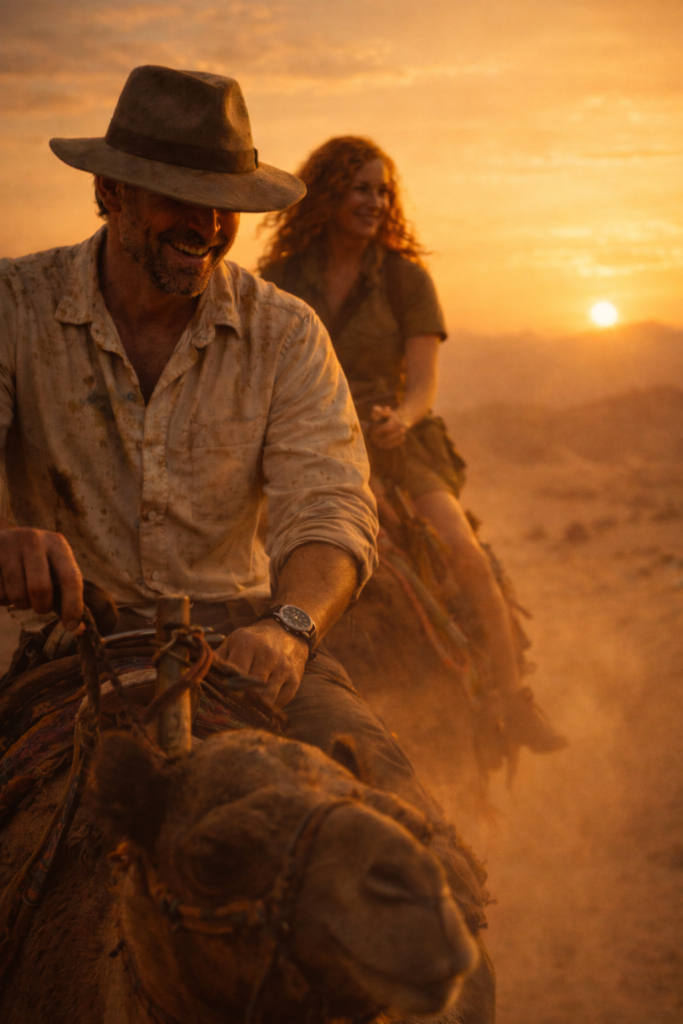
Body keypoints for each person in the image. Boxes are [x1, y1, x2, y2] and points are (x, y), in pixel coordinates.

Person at [0, 67, 494, 1019]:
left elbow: (330, 505)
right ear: (108, 191)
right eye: (178, 199)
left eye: (222, 205)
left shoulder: (282, 333)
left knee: (440, 876)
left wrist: (295, 623)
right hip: (68, 646)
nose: (204, 224)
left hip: (253, 646)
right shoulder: (16, 307)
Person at [259, 136, 566, 754]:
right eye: (361, 187)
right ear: (328, 192)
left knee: (465, 554)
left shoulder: (405, 279)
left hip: (396, 438)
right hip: (305, 435)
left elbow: (423, 382)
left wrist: (400, 418)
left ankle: (513, 699)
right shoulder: (281, 278)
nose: (375, 201)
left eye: (383, 191)